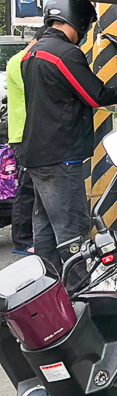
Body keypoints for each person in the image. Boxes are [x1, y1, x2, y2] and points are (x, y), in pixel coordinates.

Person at [21, 0, 117, 273]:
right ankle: (78, 291)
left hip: (36, 154)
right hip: (61, 156)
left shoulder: (32, 52)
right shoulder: (64, 54)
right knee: (72, 230)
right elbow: (94, 94)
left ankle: (48, 287)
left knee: (46, 227)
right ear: (78, 21)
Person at [5, 27, 45, 256]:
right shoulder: (22, 62)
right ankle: (22, 240)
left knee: (30, 186)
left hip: (25, 133)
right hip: (23, 134)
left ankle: (28, 237)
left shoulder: (21, 60)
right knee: (27, 188)